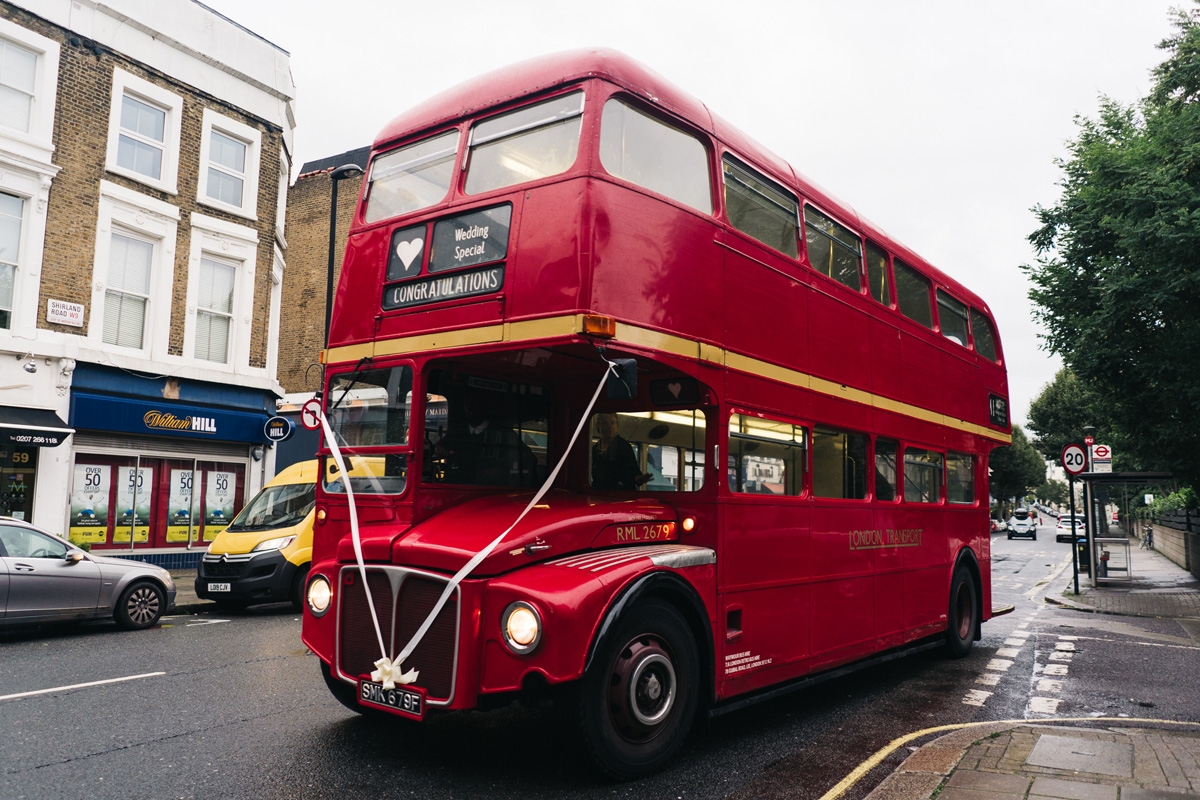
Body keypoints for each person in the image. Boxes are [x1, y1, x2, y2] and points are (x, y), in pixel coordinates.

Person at [437, 390, 537, 486]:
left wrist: (504, 471)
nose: (469, 406)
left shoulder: (503, 433)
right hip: (457, 486)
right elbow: (440, 448)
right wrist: (440, 449)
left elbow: (528, 460)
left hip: (490, 489)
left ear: (484, 405)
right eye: (466, 402)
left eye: (475, 402)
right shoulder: (456, 431)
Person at [591, 413, 647, 490]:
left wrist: (638, 478)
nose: (610, 427)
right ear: (598, 426)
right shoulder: (594, 450)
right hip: (600, 495)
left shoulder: (624, 447)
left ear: (617, 426)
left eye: (612, 423)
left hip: (621, 494)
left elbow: (633, 471)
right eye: (605, 423)